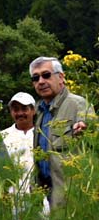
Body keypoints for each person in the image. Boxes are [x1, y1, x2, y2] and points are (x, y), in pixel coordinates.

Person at [30, 56, 96, 209]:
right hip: (51, 195)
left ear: (61, 77)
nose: (41, 81)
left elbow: (90, 126)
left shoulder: (77, 103)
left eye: (46, 75)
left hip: (75, 197)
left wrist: (85, 126)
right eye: (35, 78)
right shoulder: (40, 112)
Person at [0, 92, 38, 195]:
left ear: (33, 110)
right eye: (16, 109)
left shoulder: (43, 135)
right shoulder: (2, 137)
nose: (20, 113)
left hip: (40, 197)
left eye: (24, 109)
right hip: (12, 197)